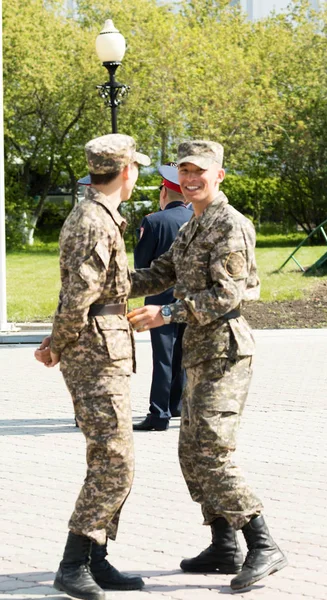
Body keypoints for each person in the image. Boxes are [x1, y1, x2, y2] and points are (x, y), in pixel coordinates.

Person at [125, 140, 288, 591]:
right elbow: (160, 272)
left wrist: (167, 314)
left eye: (200, 171)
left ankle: (262, 544)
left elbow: (227, 295)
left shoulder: (229, 225)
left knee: (212, 451)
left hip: (225, 349)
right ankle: (224, 546)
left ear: (219, 175)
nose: (191, 178)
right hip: (200, 349)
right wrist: (109, 283)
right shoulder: (194, 225)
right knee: (191, 451)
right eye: (185, 171)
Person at [34, 134, 149, 600]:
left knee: (112, 457)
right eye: (136, 167)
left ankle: (96, 557)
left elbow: (109, 286)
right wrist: (56, 345)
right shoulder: (92, 221)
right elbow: (78, 296)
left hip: (103, 347)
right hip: (94, 353)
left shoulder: (100, 217)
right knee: (113, 462)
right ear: (126, 172)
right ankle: (73, 562)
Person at [133, 164, 192, 431]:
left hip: (160, 299)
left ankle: (158, 414)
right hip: (190, 300)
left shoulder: (154, 221)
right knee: (182, 354)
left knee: (163, 358)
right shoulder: (198, 219)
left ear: (164, 192)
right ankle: (176, 403)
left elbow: (142, 263)